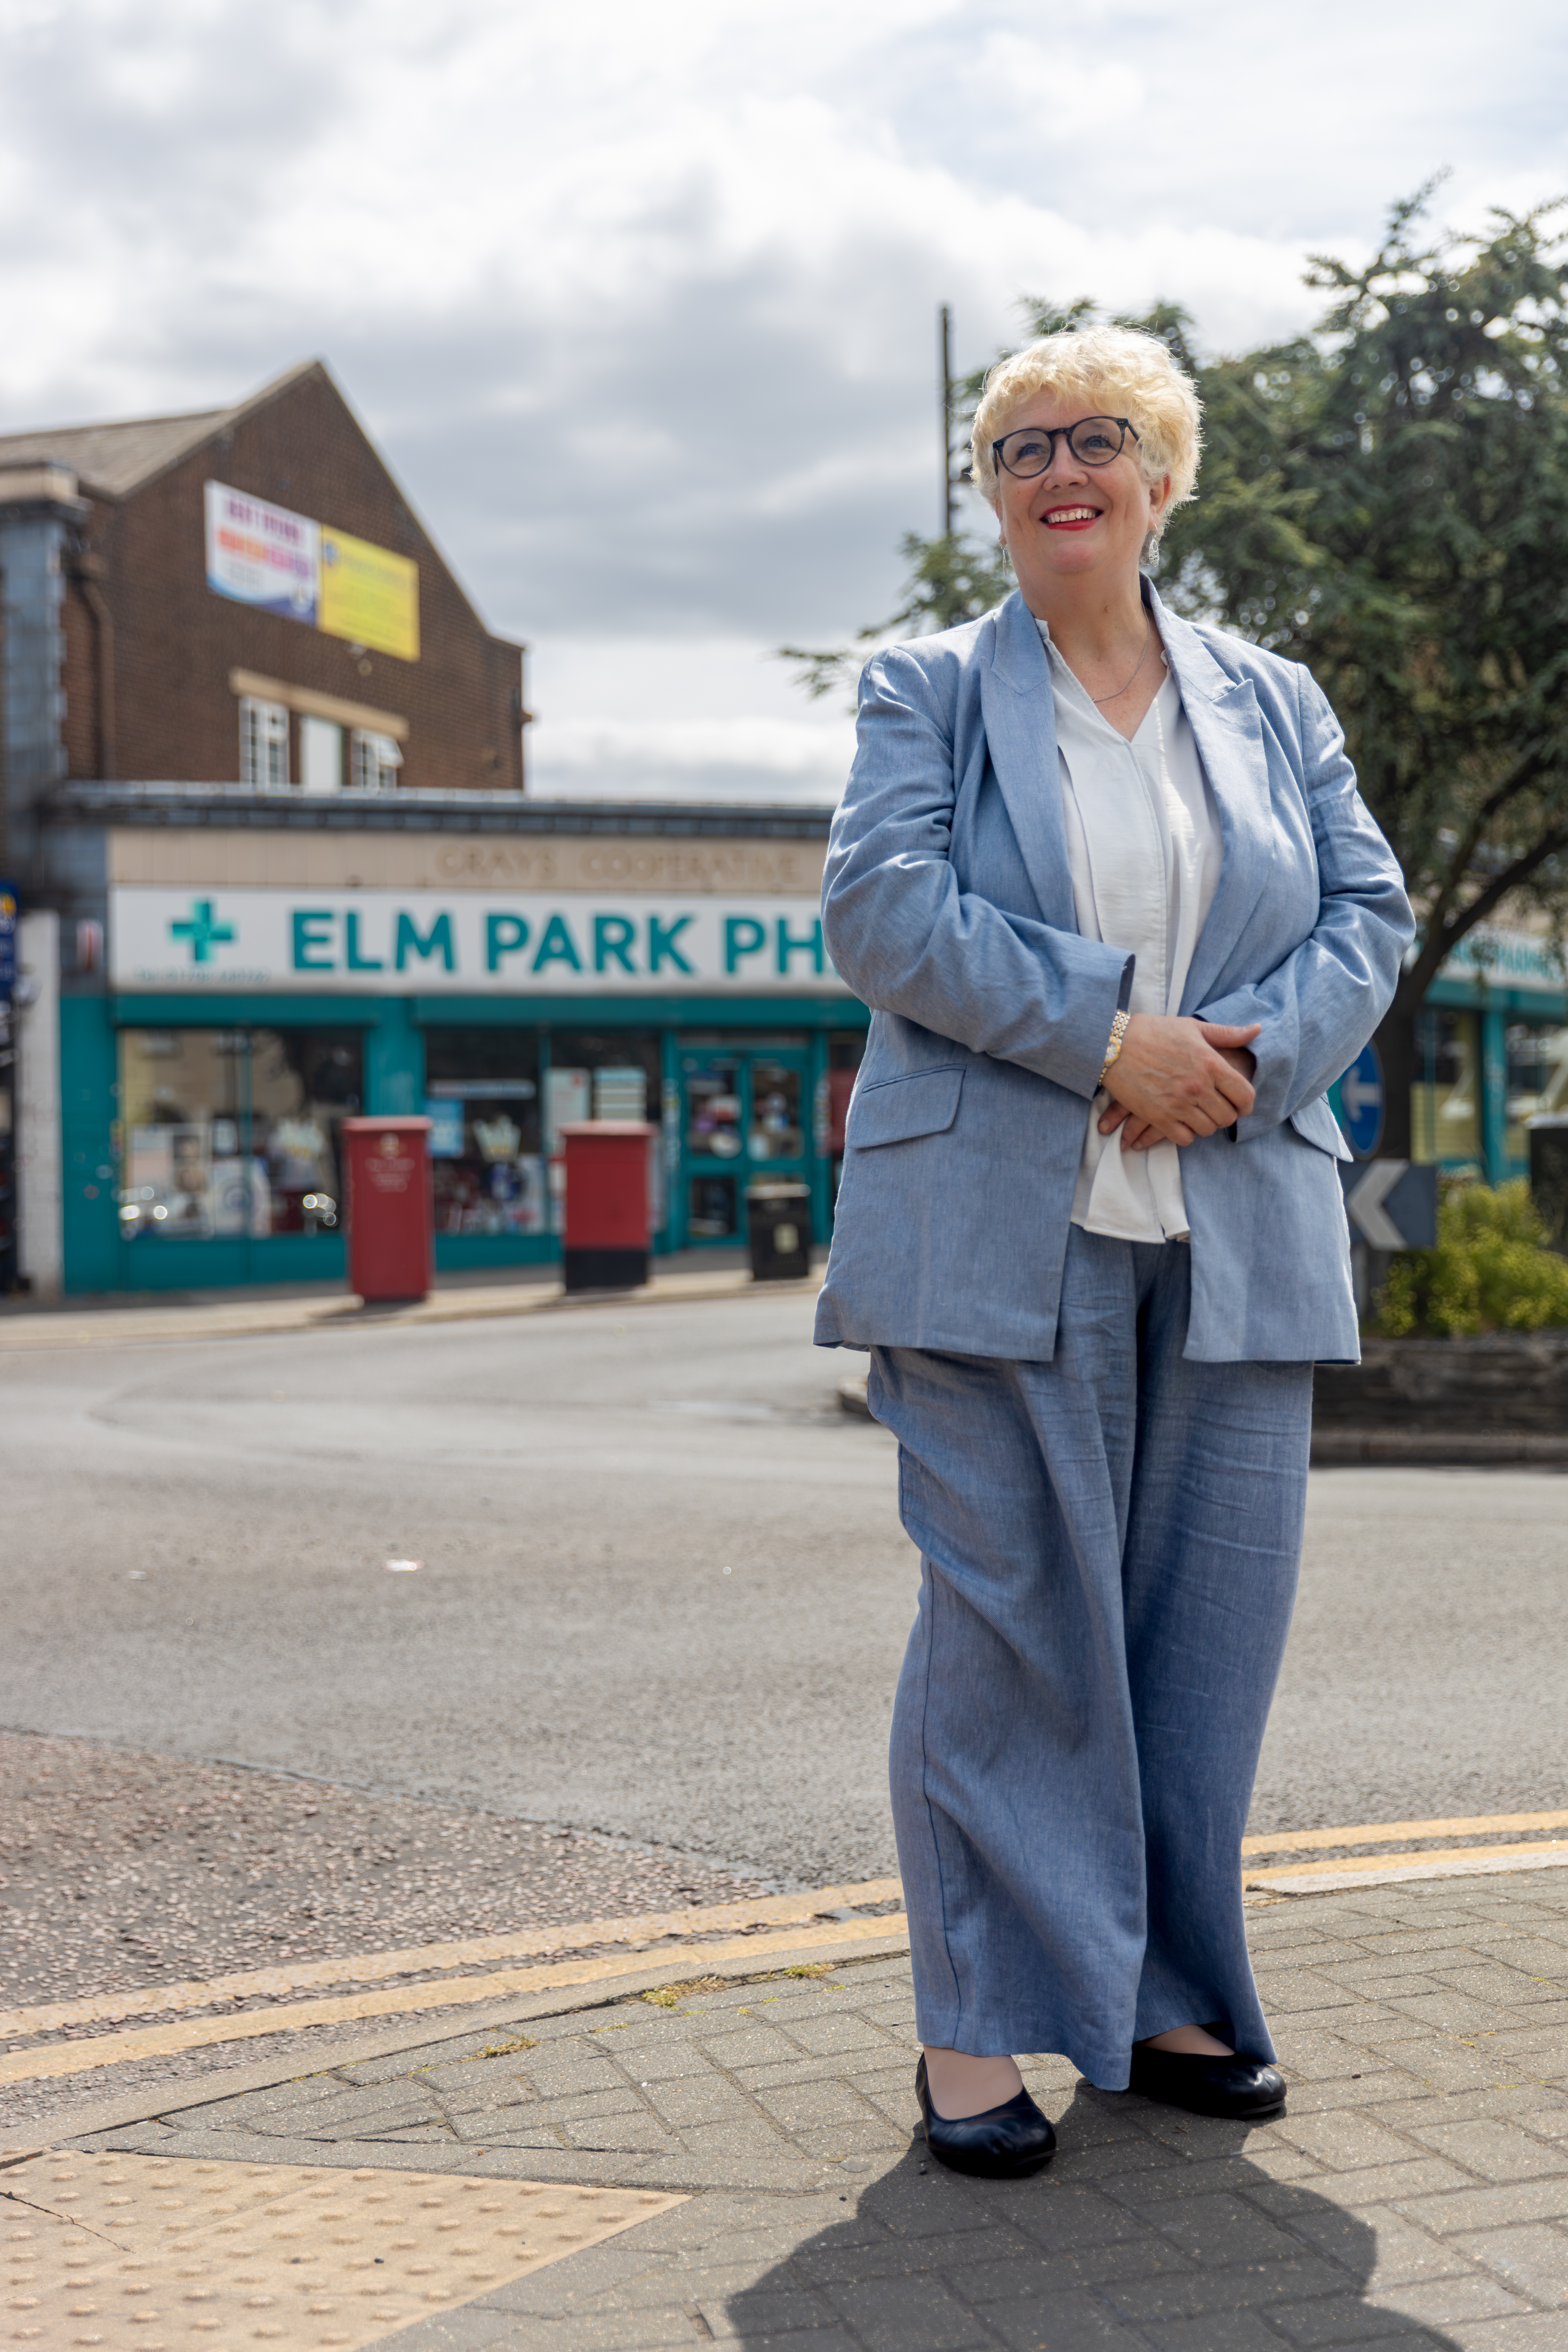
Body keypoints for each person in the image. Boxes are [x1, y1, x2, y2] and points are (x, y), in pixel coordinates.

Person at [814, 324, 1413, 2179]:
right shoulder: (928, 688)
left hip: (1234, 1216)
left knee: (1199, 1645)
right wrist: (1108, 1041)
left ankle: (1160, 1995)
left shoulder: (1275, 700)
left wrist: (1242, 1065)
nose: (1060, 469)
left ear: (1162, 479)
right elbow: (881, 909)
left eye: (1098, 439)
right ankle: (973, 2026)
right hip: (994, 1227)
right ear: (993, 496)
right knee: (1010, 1635)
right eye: (1021, 448)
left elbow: (1368, 909)